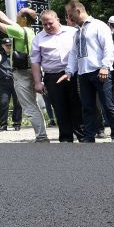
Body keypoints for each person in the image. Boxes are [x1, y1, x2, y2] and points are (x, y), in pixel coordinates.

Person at [0, 0, 49, 142]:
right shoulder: (27, 30)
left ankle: (42, 137)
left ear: (24, 19)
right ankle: (42, 135)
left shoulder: (19, 31)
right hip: (30, 70)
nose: (16, 15)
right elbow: (3, 17)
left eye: (19, 14)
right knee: (33, 104)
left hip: (22, 73)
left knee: (29, 106)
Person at [58, 0, 114, 143]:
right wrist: (69, 72)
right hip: (83, 73)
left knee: (108, 105)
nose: (69, 18)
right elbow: (74, 53)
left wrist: (105, 66)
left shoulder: (99, 25)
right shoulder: (77, 32)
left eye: (70, 14)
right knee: (87, 107)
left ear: (78, 11)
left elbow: (108, 47)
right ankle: (89, 136)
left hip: (100, 71)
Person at [30, 9, 84, 142]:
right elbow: (35, 62)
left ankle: (83, 136)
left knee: (77, 105)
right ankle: (65, 138)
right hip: (52, 76)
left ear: (58, 20)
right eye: (44, 24)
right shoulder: (38, 38)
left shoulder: (72, 32)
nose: (48, 26)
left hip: (74, 74)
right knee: (59, 107)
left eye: (50, 23)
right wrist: (37, 82)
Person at [0, 38, 21, 131]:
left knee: (18, 103)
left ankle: (17, 123)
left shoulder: (17, 55)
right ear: (3, 46)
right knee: (3, 103)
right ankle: (3, 125)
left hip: (16, 81)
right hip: (4, 83)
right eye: (7, 45)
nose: (9, 47)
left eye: (10, 45)